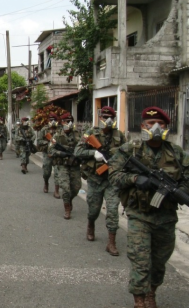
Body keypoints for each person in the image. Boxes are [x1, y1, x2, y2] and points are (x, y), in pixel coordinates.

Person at [108, 106, 189, 308]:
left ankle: (151, 292)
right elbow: (113, 175)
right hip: (139, 215)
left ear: (167, 127)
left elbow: (187, 178)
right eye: (150, 124)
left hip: (167, 218)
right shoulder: (130, 150)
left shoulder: (176, 152)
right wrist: (135, 178)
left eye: (160, 124)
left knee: (159, 262)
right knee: (140, 261)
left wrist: (178, 190)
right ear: (143, 126)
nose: (155, 127)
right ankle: (140, 300)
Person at [74, 106, 126, 256]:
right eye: (104, 117)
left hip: (112, 180)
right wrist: (93, 153)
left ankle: (111, 242)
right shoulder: (91, 133)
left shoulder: (120, 136)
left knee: (112, 211)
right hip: (95, 179)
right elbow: (77, 152)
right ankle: (91, 225)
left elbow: (127, 156)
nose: (107, 120)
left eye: (110, 117)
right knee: (94, 210)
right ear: (100, 118)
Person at [48, 112, 81, 219]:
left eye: (71, 121)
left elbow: (83, 148)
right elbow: (51, 150)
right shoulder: (57, 135)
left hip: (74, 165)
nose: (69, 124)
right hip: (62, 165)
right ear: (62, 122)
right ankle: (67, 209)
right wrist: (61, 153)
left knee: (76, 187)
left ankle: (69, 200)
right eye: (67, 121)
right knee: (65, 188)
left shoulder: (78, 135)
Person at [37, 113, 60, 194]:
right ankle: (46, 183)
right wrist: (49, 143)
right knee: (47, 172)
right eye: (51, 120)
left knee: (58, 172)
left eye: (54, 120)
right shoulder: (44, 130)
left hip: (57, 154)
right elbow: (39, 141)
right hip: (47, 153)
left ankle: (56, 190)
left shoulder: (60, 130)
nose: (52, 121)